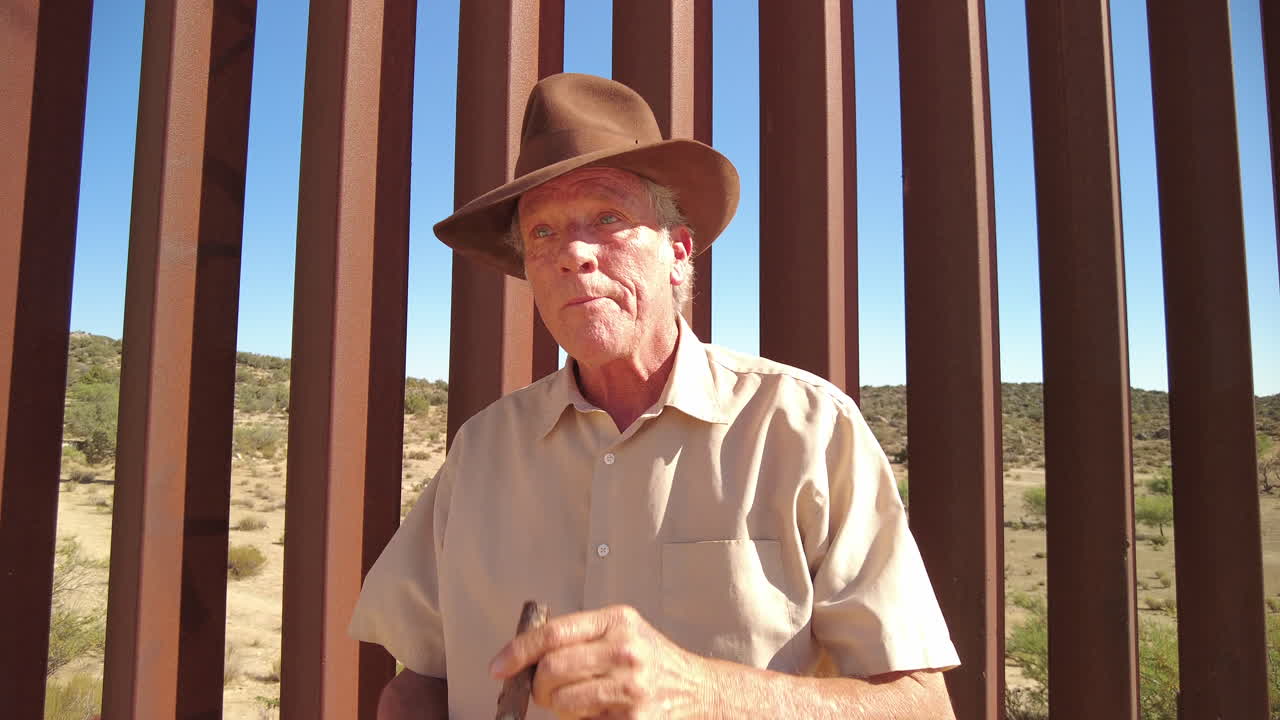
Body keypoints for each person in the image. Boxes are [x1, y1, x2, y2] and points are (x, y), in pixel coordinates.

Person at [350, 72, 959, 719]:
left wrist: (705, 692)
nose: (573, 254)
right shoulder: (481, 451)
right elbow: (420, 680)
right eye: (543, 233)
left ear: (678, 250)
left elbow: (922, 705)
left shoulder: (805, 430)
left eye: (607, 217)